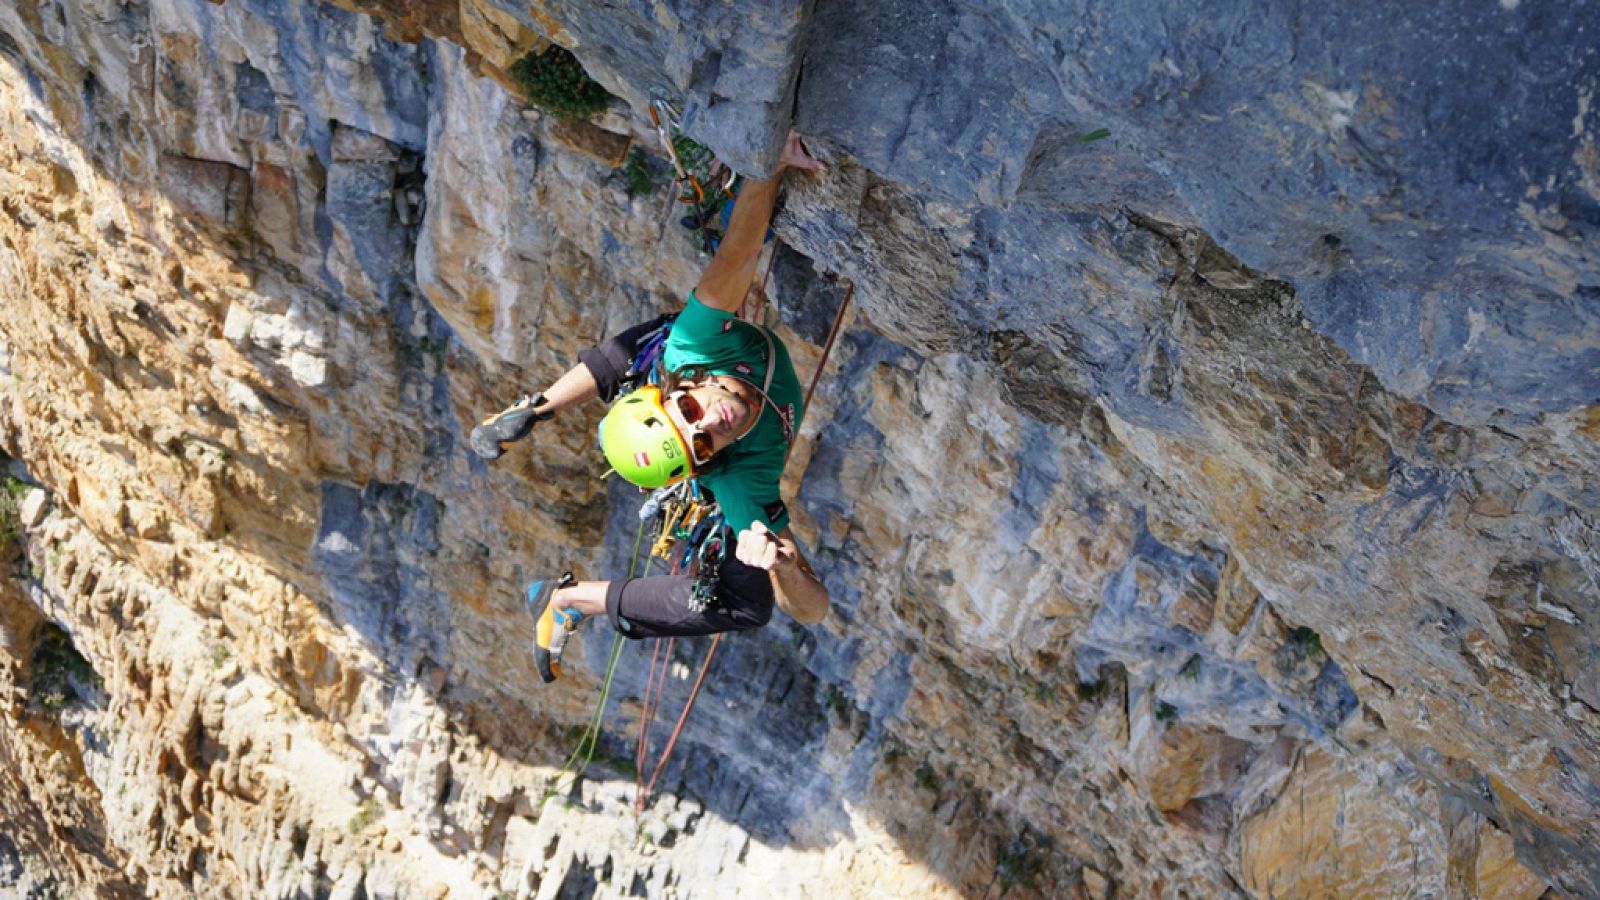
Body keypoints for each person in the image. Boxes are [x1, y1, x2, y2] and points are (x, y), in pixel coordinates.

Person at [471, 133, 831, 683]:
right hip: (715, 451)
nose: (713, 421)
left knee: (662, 337)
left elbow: (740, 249)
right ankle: (574, 600)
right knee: (746, 605)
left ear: (677, 391)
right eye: (703, 442)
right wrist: (780, 564)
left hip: (690, 354)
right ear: (705, 463)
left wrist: (771, 163)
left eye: (689, 412)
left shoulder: (697, 347)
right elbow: (813, 610)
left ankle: (539, 407)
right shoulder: (741, 483)